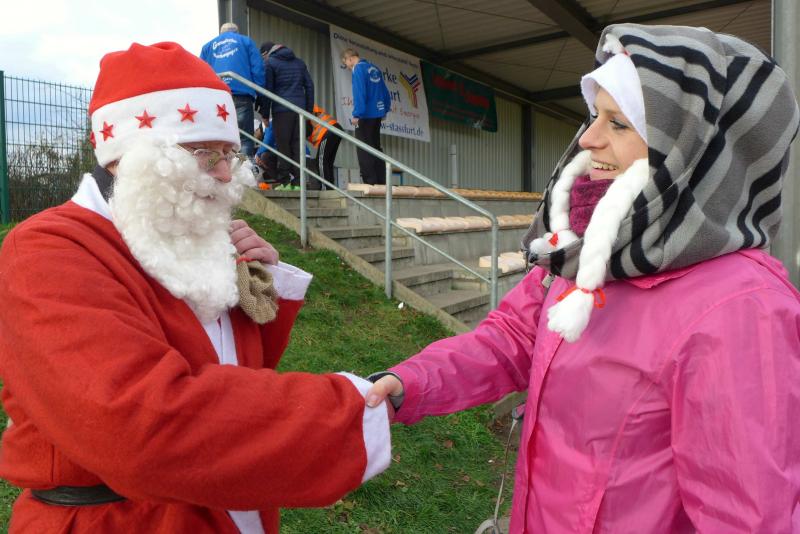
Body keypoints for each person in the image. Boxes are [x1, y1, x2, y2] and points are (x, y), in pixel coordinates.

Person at [366, 24, 800, 533]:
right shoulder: (587, 251)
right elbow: (510, 339)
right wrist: (409, 383)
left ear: (692, 153)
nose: (588, 138)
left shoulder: (741, 309)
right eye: (594, 115)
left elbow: (748, 518)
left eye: (618, 123)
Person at [0, 42, 391, 533]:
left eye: (229, 153)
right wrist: (348, 407)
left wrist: (264, 282)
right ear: (129, 157)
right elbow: (138, 427)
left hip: (222, 506)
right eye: (205, 153)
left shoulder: (188, 233)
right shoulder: (47, 251)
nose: (226, 174)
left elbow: (235, 371)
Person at [200, 22, 265, 158]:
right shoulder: (246, 42)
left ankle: (219, 168)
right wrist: (260, 93)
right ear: (237, 32)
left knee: (219, 137)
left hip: (217, 97)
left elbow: (201, 72)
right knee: (245, 139)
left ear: (221, 33)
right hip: (242, 94)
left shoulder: (208, 46)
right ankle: (244, 169)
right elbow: (258, 69)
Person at [260, 41, 314, 189]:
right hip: (300, 110)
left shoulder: (270, 63)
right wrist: (308, 111)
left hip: (281, 110)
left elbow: (268, 90)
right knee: (297, 146)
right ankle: (298, 183)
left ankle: (285, 182)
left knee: (282, 145)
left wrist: (265, 114)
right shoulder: (299, 63)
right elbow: (310, 86)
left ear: (268, 53)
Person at [341, 48, 391, 185]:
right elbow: (385, 92)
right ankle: (381, 180)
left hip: (365, 114)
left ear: (350, 58)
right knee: (376, 146)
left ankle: (370, 181)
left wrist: (357, 114)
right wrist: (385, 109)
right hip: (377, 114)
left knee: (363, 147)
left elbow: (359, 92)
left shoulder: (358, 69)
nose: (347, 67)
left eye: (346, 63)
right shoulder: (374, 68)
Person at [307, 104, 343, 190]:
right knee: (327, 161)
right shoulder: (308, 105)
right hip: (335, 129)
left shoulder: (304, 106)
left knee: (321, 161)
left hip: (328, 130)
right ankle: (329, 187)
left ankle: (325, 187)